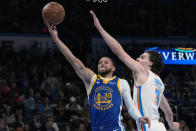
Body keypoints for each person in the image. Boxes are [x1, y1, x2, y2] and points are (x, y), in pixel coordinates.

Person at [44, 21, 150, 131]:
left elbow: (131, 107)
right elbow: (73, 59)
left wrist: (139, 117)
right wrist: (56, 39)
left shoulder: (122, 82)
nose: (102, 63)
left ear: (113, 68)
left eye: (105, 62)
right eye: (100, 62)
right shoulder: (92, 79)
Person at [90, 10, 180, 131]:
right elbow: (168, 112)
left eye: (142, 57)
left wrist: (100, 28)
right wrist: (172, 125)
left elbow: (118, 51)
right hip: (159, 126)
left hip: (148, 127)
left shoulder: (142, 71)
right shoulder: (159, 83)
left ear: (150, 63)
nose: (137, 58)